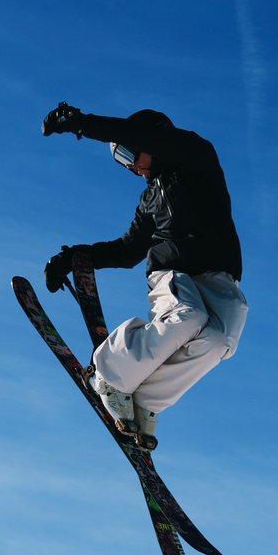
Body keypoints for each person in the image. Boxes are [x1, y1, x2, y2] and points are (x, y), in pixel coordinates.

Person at [42, 103, 248, 450]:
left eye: (126, 154)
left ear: (150, 139)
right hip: (174, 272)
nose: (130, 166)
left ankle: (145, 401)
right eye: (122, 162)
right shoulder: (150, 198)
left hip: (218, 275)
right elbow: (126, 250)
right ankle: (109, 373)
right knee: (188, 316)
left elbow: (146, 137)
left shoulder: (197, 157)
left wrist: (84, 125)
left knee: (220, 339)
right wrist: (74, 257)